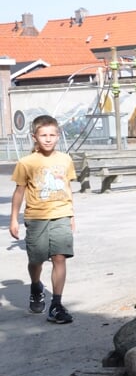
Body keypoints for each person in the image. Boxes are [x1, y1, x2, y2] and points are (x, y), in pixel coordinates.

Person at [9, 114, 78, 324]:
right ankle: (36, 285)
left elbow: (67, 187)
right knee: (36, 260)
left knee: (59, 257)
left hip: (61, 215)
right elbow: (19, 192)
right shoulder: (26, 162)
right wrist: (14, 219)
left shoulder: (65, 159)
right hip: (36, 218)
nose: (48, 139)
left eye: (52, 135)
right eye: (43, 135)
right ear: (34, 137)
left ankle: (56, 305)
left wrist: (72, 214)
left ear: (58, 136)